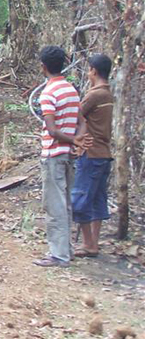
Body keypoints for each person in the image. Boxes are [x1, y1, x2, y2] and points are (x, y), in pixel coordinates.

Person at [34, 45, 82, 267]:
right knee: (65, 203)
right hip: (68, 157)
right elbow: (82, 122)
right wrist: (77, 143)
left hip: (53, 154)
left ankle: (59, 254)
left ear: (43, 67)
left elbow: (52, 130)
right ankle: (67, 250)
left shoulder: (48, 93)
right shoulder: (71, 89)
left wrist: (73, 141)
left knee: (54, 205)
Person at [71, 53, 114, 258]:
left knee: (80, 198)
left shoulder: (94, 95)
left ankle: (89, 244)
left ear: (93, 71)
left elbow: (76, 117)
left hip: (91, 153)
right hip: (104, 154)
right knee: (97, 198)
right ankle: (93, 243)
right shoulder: (108, 94)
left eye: (89, 70)